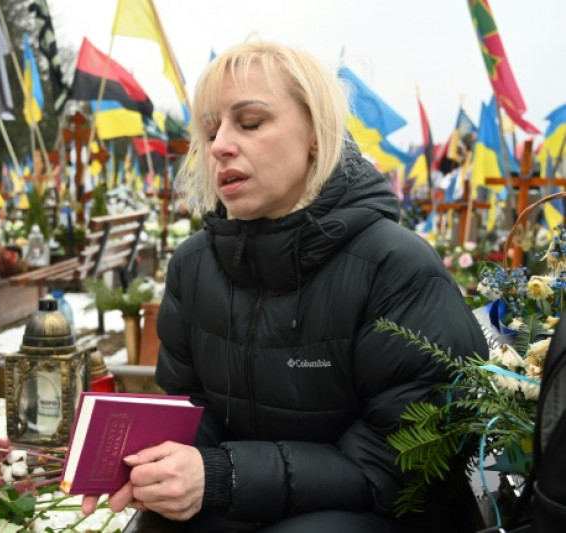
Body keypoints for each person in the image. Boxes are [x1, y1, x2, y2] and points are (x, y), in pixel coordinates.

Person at [81, 41, 488, 532]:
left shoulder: (395, 268)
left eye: (250, 122)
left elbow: (400, 463)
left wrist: (222, 475)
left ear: (316, 133)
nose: (219, 145)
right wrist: (151, 465)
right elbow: (192, 408)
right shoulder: (193, 265)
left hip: (379, 513)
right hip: (245, 498)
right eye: (210, 131)